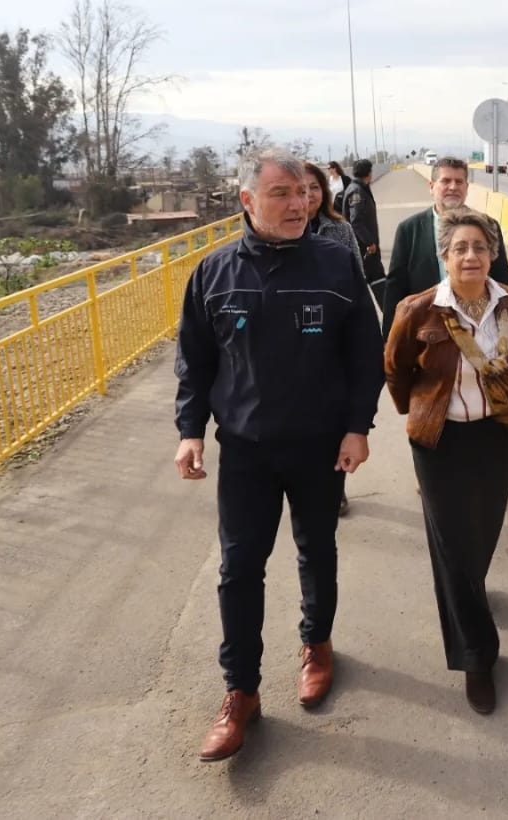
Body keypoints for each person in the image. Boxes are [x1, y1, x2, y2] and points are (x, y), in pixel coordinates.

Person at [173, 149, 385, 762]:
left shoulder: (336, 263)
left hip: (320, 445)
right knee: (239, 569)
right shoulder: (213, 272)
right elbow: (195, 359)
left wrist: (357, 427)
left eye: (303, 192)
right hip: (244, 451)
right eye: (281, 194)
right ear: (247, 201)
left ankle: (316, 646)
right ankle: (240, 691)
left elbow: (362, 355)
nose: (299, 203)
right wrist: (190, 431)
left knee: (316, 549)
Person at [384, 207, 508, 715]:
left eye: (480, 247)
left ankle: (470, 593)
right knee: (452, 546)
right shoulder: (419, 309)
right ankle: (477, 657)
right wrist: (426, 410)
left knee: (483, 533)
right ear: (444, 257)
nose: (471, 256)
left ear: (493, 256)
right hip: (440, 441)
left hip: (494, 436)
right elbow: (396, 369)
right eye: (460, 248)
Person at [382, 157, 508, 337]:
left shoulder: (488, 226)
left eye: (459, 182)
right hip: (427, 332)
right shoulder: (409, 229)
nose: (453, 187)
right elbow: (396, 288)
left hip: (480, 330)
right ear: (431, 186)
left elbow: (502, 281)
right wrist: (390, 337)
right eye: (445, 181)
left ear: (466, 188)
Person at [304, 160, 365, 518]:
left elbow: (355, 280)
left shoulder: (339, 231)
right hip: (294, 341)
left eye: (313, 188)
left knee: (334, 420)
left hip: (333, 337)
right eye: (300, 188)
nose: (307, 195)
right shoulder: (273, 232)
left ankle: (335, 485)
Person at [344, 159, 385, 305]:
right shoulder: (357, 191)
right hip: (365, 249)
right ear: (368, 173)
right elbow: (356, 221)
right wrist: (370, 242)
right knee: (378, 283)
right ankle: (390, 319)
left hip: (365, 248)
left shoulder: (358, 187)